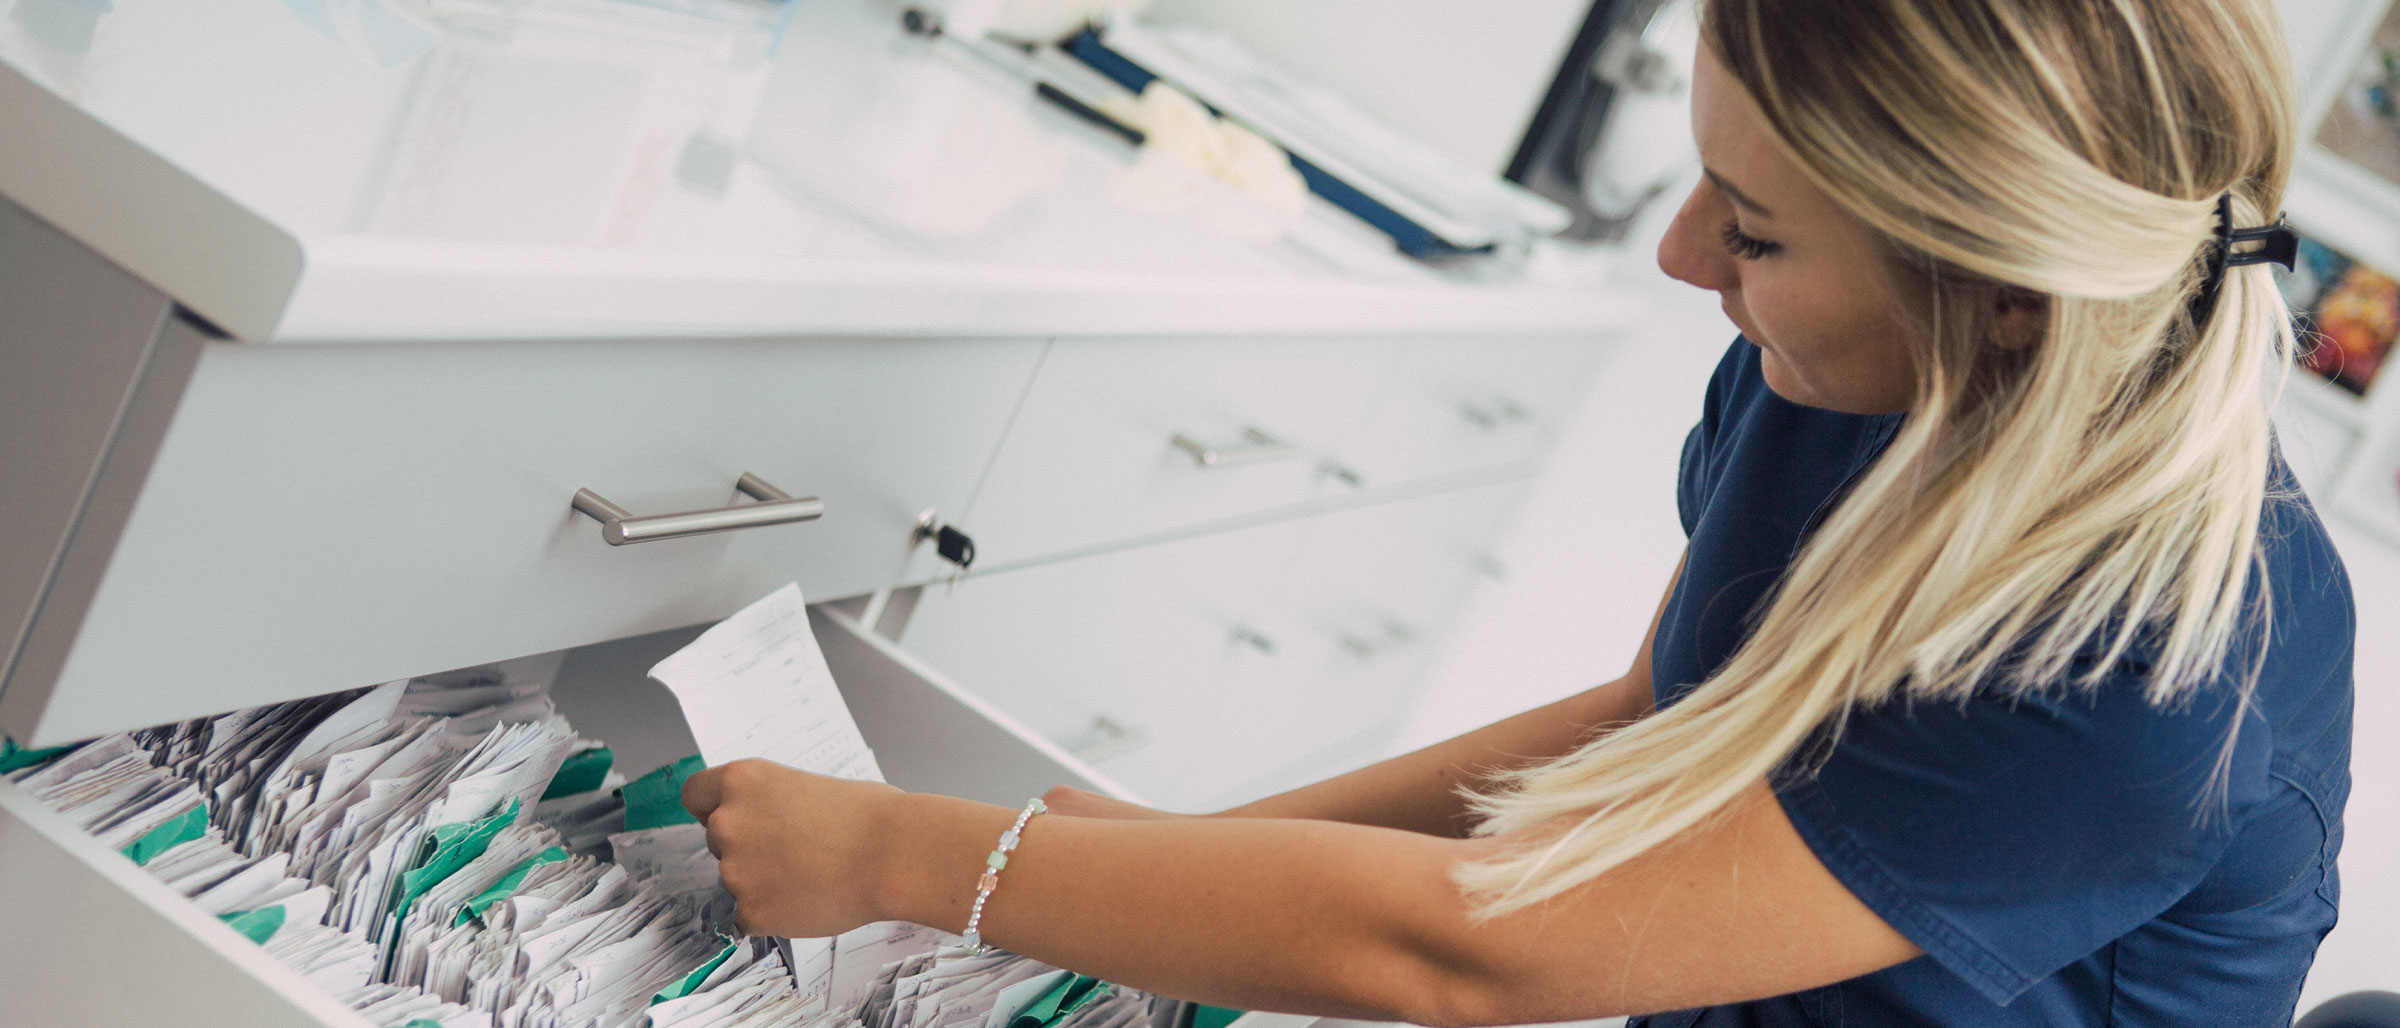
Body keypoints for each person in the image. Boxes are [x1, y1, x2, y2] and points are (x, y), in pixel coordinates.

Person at [679, 0, 2356, 1023]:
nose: (1680, 257)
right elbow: (1648, 728)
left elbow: (1473, 961)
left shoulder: (2148, 680)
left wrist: (915, 856)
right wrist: (1144, 866)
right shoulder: (1837, 386)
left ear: (2005, 300)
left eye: (1754, 230)